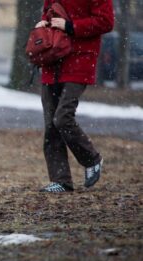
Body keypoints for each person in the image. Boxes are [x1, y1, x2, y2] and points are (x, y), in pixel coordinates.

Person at [35, 0, 114, 192]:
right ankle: (60, 181)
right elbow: (49, 12)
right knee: (51, 126)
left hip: (80, 60)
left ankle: (92, 160)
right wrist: (43, 23)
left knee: (62, 118)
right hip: (51, 59)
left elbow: (106, 22)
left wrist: (71, 26)